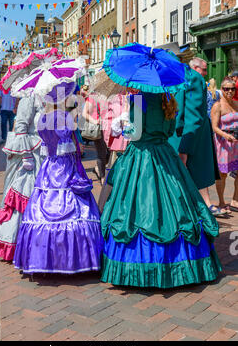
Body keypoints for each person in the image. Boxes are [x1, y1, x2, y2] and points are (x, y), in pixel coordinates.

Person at [100, 91, 221, 288]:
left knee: (136, 206)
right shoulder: (168, 99)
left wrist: (123, 127)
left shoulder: (137, 100)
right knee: (176, 203)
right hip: (165, 155)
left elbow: (135, 134)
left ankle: (142, 267)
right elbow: (171, 130)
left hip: (142, 156)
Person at [13, 96, 103, 274]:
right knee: (75, 207)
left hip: (49, 167)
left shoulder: (43, 119)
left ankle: (45, 259)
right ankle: (74, 259)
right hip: (65, 167)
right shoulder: (65, 118)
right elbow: (69, 147)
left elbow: (47, 145)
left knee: (42, 205)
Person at [0, 95, 45, 261]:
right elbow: (20, 127)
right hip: (31, 155)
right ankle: (18, 244)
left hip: (46, 155)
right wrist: (26, 155)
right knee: (23, 198)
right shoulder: (30, 97)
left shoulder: (52, 96)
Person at [169, 58, 223, 217]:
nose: (206, 73)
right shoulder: (163, 80)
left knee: (186, 198)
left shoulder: (190, 77)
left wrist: (184, 149)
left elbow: (192, 119)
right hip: (167, 145)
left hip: (184, 143)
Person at [211, 76, 238, 214]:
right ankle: (221, 202)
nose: (230, 91)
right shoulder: (217, 105)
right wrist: (226, 136)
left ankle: (235, 199)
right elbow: (214, 127)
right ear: (221, 89)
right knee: (223, 174)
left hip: (236, 143)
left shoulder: (236, 104)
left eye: (232, 89)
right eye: (226, 89)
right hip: (223, 143)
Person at [82, 90, 109, 185]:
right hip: (99, 129)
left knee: (109, 153)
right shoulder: (93, 97)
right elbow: (84, 113)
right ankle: (102, 177)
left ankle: (97, 168)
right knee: (102, 153)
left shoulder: (110, 96)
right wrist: (95, 121)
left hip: (110, 129)